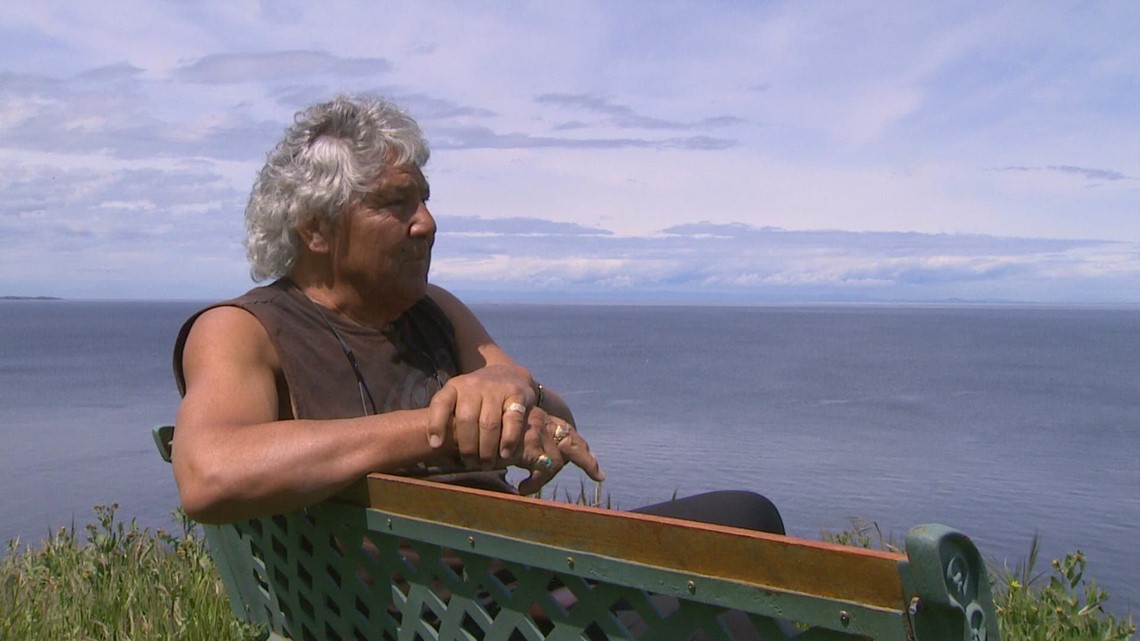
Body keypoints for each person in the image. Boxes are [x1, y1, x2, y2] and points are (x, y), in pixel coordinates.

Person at [171, 94, 782, 537]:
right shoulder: (241, 329)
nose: (427, 224)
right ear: (316, 229)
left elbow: (557, 416)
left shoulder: (435, 310)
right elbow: (209, 474)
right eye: (395, 205)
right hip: (429, 606)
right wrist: (441, 427)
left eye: (425, 202)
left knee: (749, 517)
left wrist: (515, 389)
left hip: (506, 575)